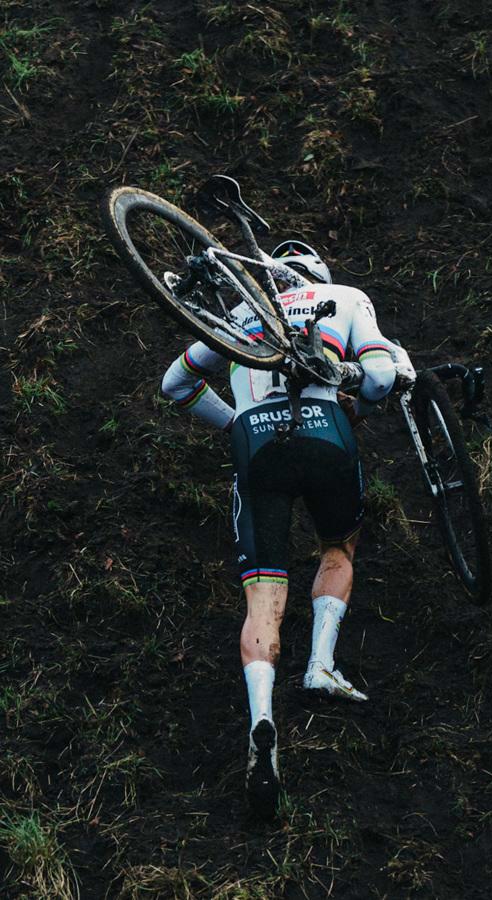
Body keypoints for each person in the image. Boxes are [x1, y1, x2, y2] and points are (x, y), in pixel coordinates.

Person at [160, 240, 415, 817]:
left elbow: (174, 385)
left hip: (257, 444)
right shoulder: (345, 297)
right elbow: (377, 378)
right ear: (317, 272)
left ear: (268, 275)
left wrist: (237, 425)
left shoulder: (242, 313)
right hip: (326, 432)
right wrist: (357, 411)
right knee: (337, 545)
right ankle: (321, 664)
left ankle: (263, 719)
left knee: (262, 595)